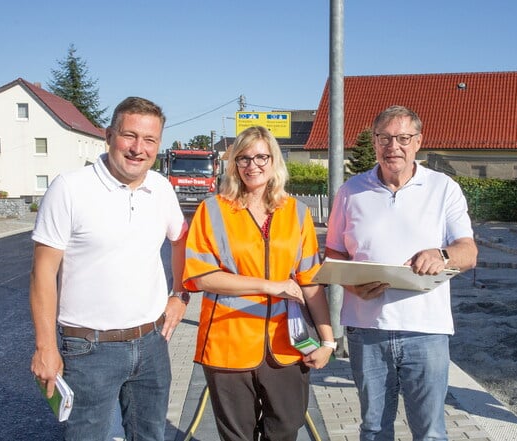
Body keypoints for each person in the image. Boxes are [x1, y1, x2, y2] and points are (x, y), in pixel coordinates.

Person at [29, 96, 189, 441]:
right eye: (129, 136)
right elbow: (42, 272)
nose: (138, 148)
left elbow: (181, 241)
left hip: (152, 343)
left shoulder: (160, 188)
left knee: (151, 436)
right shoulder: (69, 189)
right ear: (108, 135)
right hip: (89, 349)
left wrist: (180, 294)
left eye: (149, 140)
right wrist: (45, 347)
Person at [325, 105, 478, 441]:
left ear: (418, 142)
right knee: (374, 429)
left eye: (403, 138)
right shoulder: (351, 191)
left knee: (430, 432)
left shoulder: (443, 188)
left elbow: (468, 252)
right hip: (367, 330)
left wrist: (440, 254)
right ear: (375, 141)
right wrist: (352, 286)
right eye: (384, 138)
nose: (393, 146)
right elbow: (334, 251)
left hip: (426, 331)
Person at [182, 125, 334, 441]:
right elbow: (200, 275)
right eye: (244, 158)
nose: (253, 166)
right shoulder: (212, 211)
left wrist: (328, 341)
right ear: (234, 164)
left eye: (261, 157)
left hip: (287, 346)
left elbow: (311, 283)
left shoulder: (297, 212)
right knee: (237, 436)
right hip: (228, 345)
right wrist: (268, 286)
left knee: (285, 430)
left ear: (273, 161)